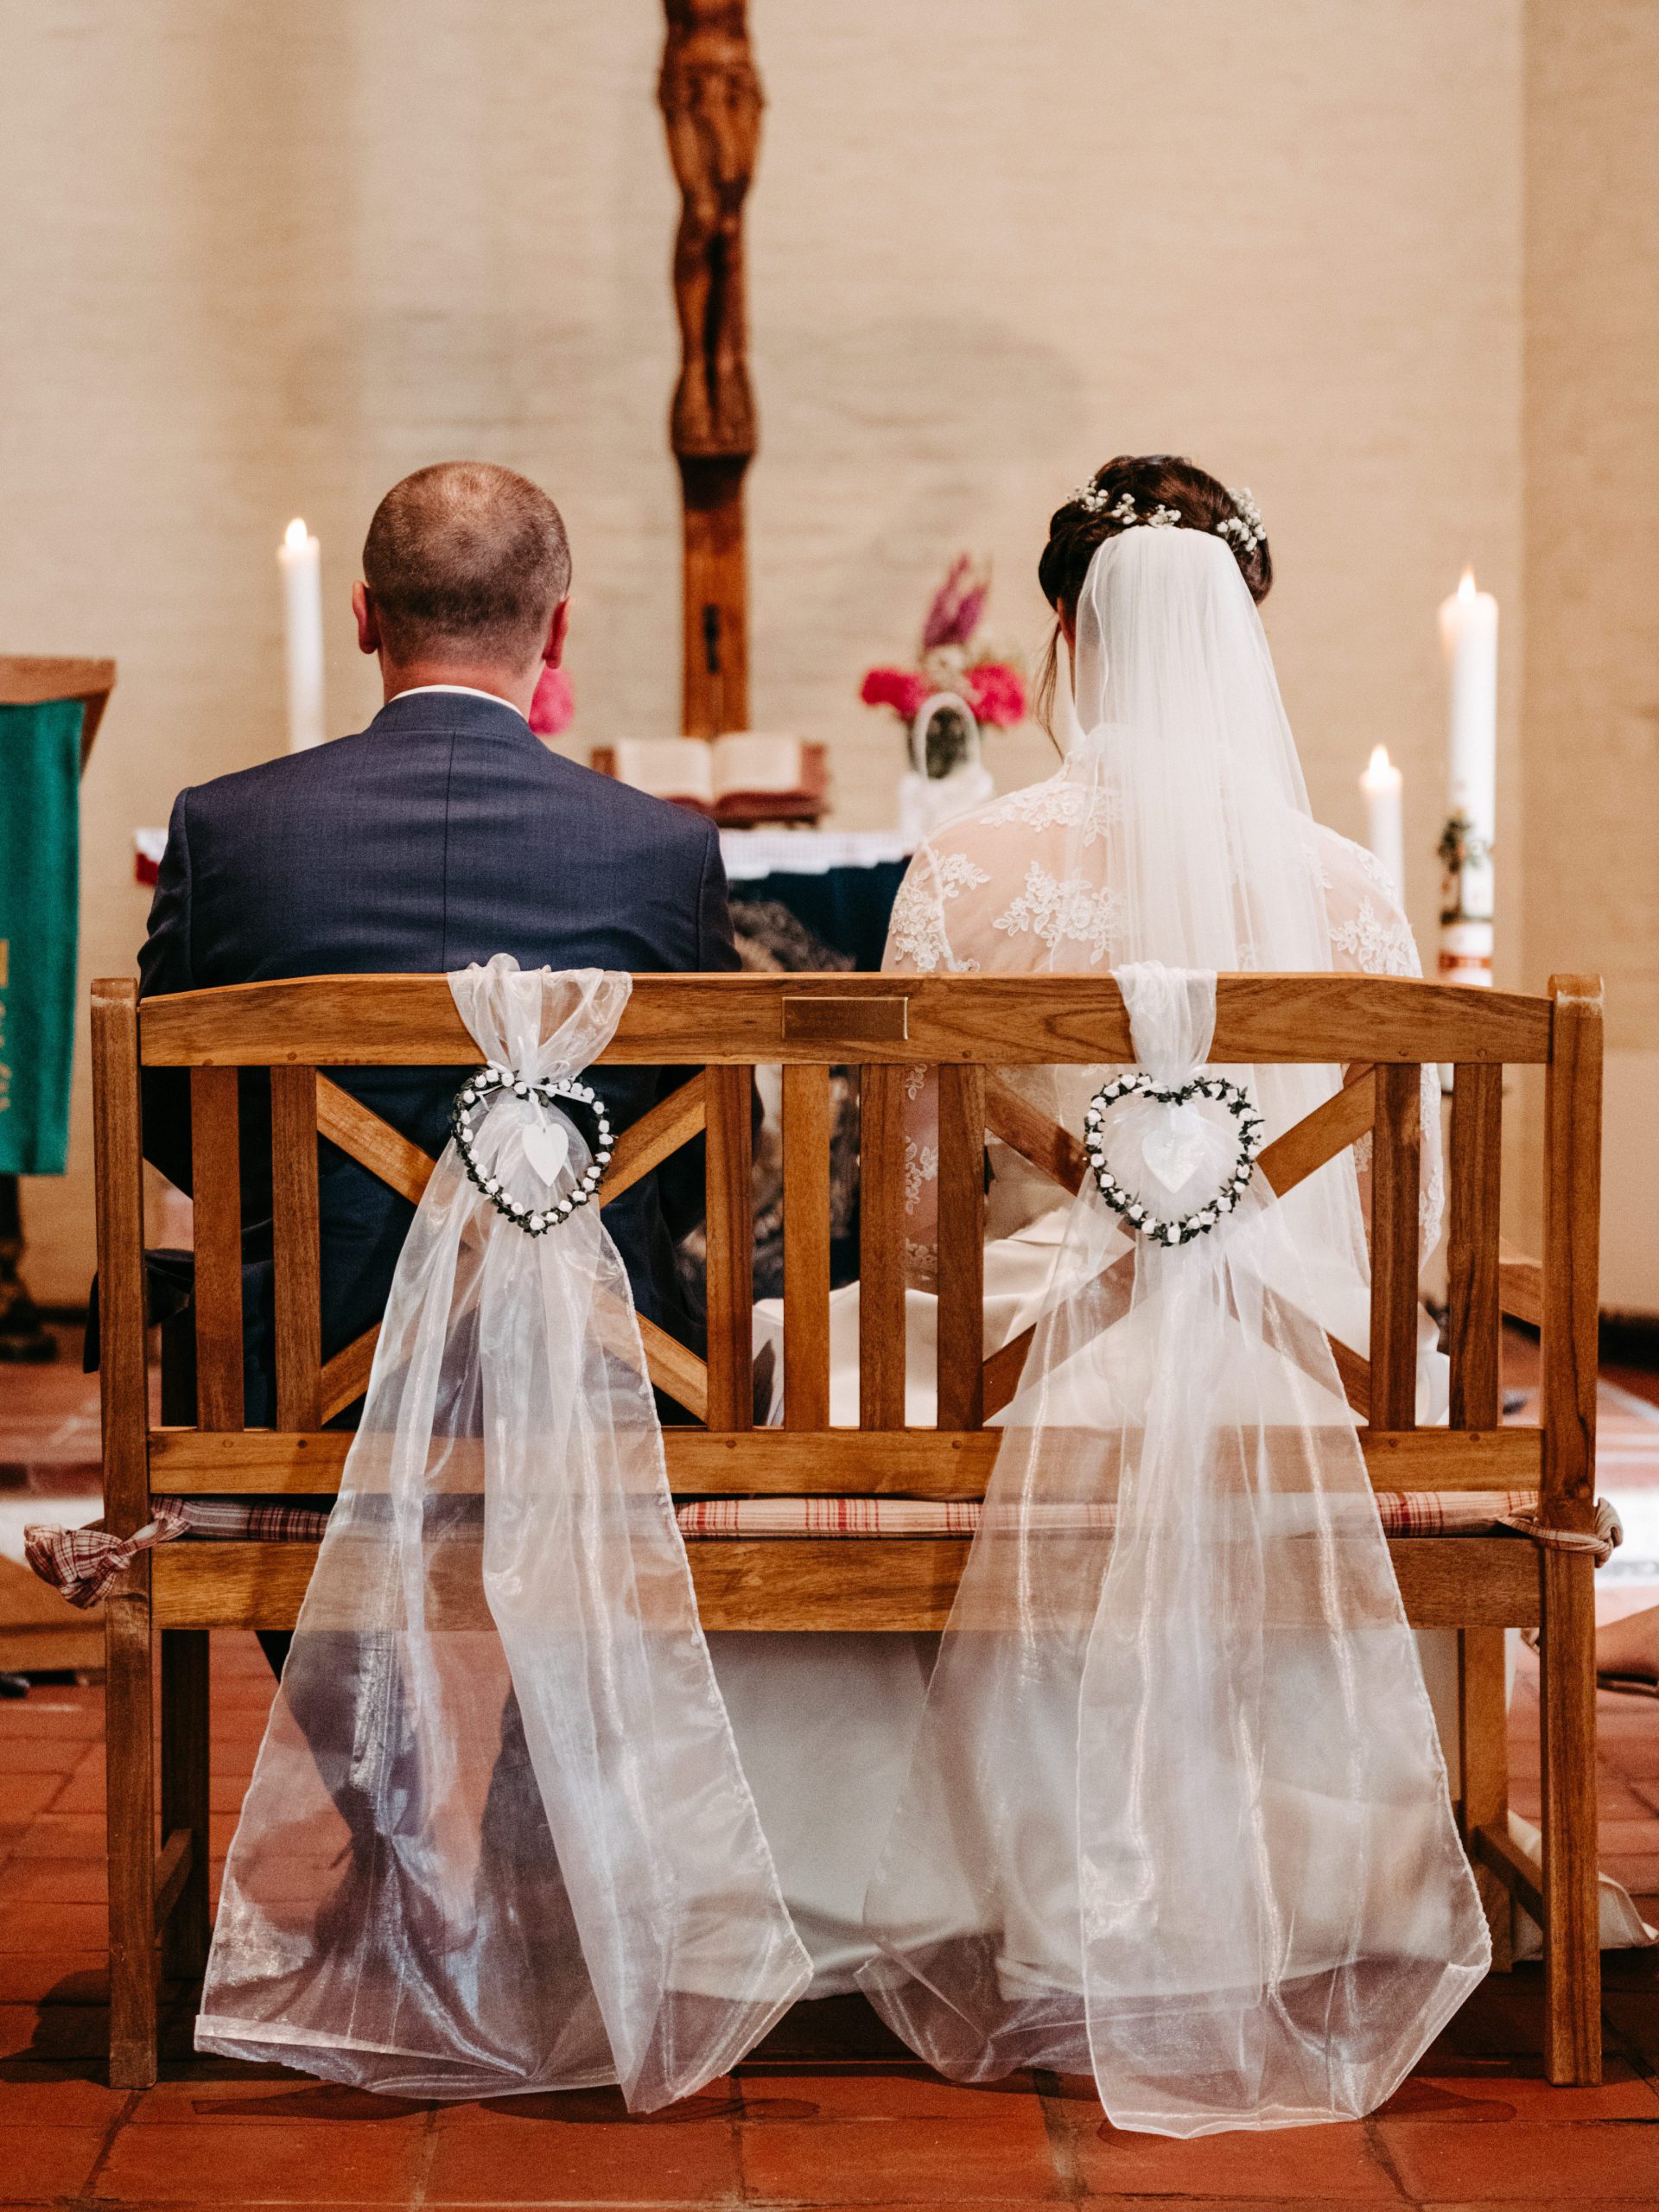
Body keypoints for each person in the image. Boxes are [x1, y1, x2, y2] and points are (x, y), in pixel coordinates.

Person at [732, 454, 1456, 2007]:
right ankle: (1322, 1867)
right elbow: (1413, 1222)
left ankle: (888, 1869)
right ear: (1241, 640)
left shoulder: (967, 869)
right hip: (1307, 1369)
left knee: (810, 1350)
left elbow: (911, 1219)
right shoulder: (1347, 889)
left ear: (1065, 634)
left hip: (1023, 1363)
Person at [137, 460, 740, 1680]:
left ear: (364, 616)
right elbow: (708, 1151)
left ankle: (368, 1769)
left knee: (253, 1299)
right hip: (595, 1378)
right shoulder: (662, 850)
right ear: (557, 628)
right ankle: (542, 1768)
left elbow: (168, 1124)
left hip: (294, 1387)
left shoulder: (229, 832)